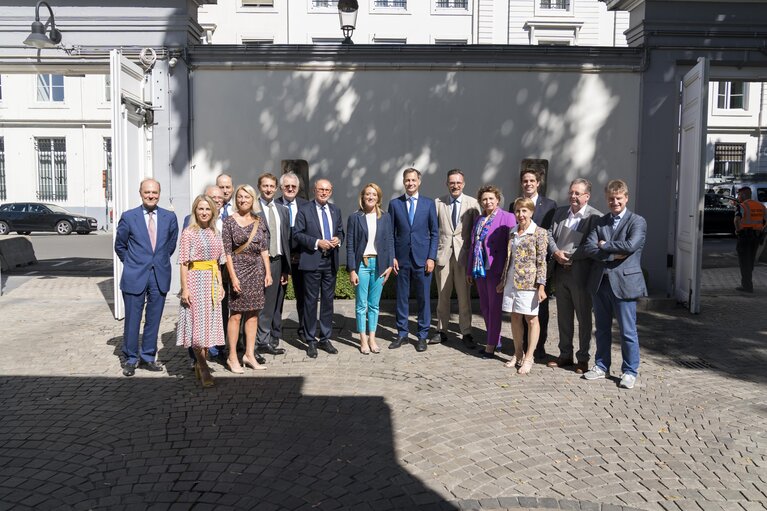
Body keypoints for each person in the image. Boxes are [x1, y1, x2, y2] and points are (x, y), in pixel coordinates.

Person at [582, 179, 647, 390]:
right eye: (611, 198)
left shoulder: (637, 221)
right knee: (601, 329)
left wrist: (605, 245)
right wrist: (611, 255)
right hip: (601, 283)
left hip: (624, 283)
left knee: (628, 331)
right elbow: (589, 248)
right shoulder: (600, 222)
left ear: (626, 198)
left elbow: (630, 246)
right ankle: (601, 366)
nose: (615, 202)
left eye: (619, 198)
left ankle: (630, 371)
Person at [114, 178, 179, 377]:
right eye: (147, 192)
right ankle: (131, 358)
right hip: (135, 275)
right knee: (133, 318)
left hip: (159, 274)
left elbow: (171, 244)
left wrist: (156, 261)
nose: (151, 196)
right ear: (140, 193)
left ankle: (148, 356)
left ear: (159, 193)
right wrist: (133, 263)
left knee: (153, 319)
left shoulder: (169, 217)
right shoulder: (129, 217)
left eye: (154, 192)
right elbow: (120, 246)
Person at [546, 178, 603, 374]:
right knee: (563, 316)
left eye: (578, 193)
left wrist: (569, 256)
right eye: (571, 192)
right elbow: (549, 235)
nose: (573, 196)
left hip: (581, 274)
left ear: (587, 196)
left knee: (584, 318)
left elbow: (591, 245)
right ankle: (564, 354)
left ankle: (583, 358)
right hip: (560, 273)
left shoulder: (595, 217)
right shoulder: (560, 212)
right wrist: (555, 253)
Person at [222, 184, 272, 373]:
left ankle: (249, 355)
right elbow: (227, 253)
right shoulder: (228, 221)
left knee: (253, 314)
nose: (243, 200)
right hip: (238, 271)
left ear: (253, 200)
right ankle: (232, 356)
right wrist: (233, 277)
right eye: (240, 197)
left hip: (257, 271)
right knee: (235, 315)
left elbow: (264, 250)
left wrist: (268, 272)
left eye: (247, 197)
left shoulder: (259, 221)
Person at [388, 168, 439, 352]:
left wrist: (431, 257)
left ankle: (422, 335)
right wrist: (392, 256)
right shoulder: (395, 204)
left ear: (419, 181)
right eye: (407, 180)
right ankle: (402, 334)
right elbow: (390, 234)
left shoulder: (428, 204)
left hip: (423, 259)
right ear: (403, 182)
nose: (410, 183)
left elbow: (434, 233)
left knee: (423, 299)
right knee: (402, 298)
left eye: (413, 180)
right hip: (401, 260)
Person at [177, 195, 226, 387]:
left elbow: (218, 263)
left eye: (207, 209)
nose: (204, 212)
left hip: (212, 281)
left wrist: (220, 284)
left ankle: (200, 363)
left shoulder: (215, 232)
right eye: (201, 209)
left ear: (212, 211)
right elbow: (183, 263)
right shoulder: (189, 232)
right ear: (195, 211)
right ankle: (204, 368)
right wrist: (185, 289)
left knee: (208, 328)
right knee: (197, 329)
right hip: (195, 281)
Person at [293, 178, 345, 358]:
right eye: (321, 189)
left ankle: (325, 338)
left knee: (328, 302)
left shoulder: (335, 210)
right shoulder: (304, 209)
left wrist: (338, 239)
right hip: (312, 261)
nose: (324, 192)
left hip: (330, 262)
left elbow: (341, 231)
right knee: (310, 302)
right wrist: (317, 242)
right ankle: (310, 340)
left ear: (331, 192)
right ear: (315, 190)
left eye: (327, 190)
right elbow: (297, 234)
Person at [509, 169, 556, 362]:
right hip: (518, 270)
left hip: (538, 265)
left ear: (538, 183)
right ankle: (520, 349)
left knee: (539, 312)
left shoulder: (550, 204)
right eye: (525, 181)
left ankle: (538, 348)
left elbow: (550, 233)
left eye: (532, 181)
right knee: (518, 313)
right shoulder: (514, 204)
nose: (528, 184)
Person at [497, 197, 548, 375]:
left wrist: (541, 286)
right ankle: (518, 353)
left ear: (531, 212)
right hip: (511, 281)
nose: (521, 214)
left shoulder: (539, 232)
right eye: (518, 211)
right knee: (515, 317)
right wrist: (503, 281)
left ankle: (529, 357)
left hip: (529, 283)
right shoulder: (512, 232)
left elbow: (542, 262)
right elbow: (509, 259)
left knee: (531, 319)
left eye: (524, 211)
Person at [466, 185, 516, 359]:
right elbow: (473, 245)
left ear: (497, 200)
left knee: (494, 308)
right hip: (480, 270)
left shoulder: (508, 218)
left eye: (491, 199)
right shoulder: (479, 219)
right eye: (484, 199)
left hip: (496, 269)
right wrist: (469, 270)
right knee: (485, 307)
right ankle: (495, 339)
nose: (487, 202)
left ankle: (491, 345)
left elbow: (512, 246)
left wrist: (507, 272)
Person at [432, 169, 481, 347]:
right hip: (443, 255)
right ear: (447, 184)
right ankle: (441, 330)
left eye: (458, 182)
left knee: (464, 297)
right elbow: (433, 230)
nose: (455, 185)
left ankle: (466, 332)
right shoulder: (438, 203)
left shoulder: (473, 204)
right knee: (442, 296)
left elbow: (477, 233)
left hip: (463, 256)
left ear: (464, 183)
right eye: (452, 182)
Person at [346, 183, 395, 354]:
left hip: (379, 264)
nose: (371, 197)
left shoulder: (385, 217)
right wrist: (352, 269)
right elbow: (350, 245)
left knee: (374, 305)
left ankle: (372, 338)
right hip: (362, 264)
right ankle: (362, 340)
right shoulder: (355, 217)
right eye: (368, 194)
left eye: (374, 194)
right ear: (363, 196)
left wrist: (389, 265)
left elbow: (390, 242)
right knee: (361, 305)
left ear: (378, 197)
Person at [256, 173, 291, 355]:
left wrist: (285, 269)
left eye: (271, 186)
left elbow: (286, 240)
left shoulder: (283, 210)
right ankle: (252, 342)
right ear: (259, 187)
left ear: (276, 189)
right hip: (256, 264)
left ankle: (264, 340)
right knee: (255, 303)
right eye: (265, 186)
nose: (268, 189)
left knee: (271, 304)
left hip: (277, 262)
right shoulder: (253, 209)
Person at [275, 171, 309, 340]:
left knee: (303, 296)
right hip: (280, 259)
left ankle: (304, 330)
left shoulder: (306, 205)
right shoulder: (273, 205)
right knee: (277, 298)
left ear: (298, 188)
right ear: (281, 188)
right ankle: (274, 334)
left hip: (301, 257)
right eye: (286, 186)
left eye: (293, 186)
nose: (290, 189)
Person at [734, 186, 766, 293]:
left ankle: (747, 286)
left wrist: (738, 231)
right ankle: (748, 284)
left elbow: (737, 220)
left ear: (743, 195)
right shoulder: (760, 205)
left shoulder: (742, 206)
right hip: (756, 237)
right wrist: (762, 230)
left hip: (744, 237)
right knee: (750, 260)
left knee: (744, 261)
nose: (738, 197)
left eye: (739, 195)